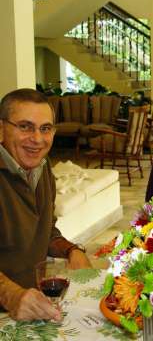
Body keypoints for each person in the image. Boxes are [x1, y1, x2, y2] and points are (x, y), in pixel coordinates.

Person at [0, 88, 91, 321]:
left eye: (45, 128)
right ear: (1, 129)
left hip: (25, 311)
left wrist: (72, 250)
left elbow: (45, 229)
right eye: (25, 126)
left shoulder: (42, 167)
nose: (37, 139)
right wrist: (12, 295)